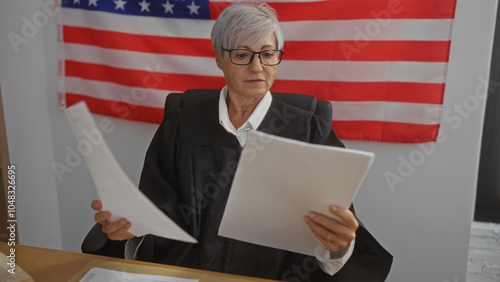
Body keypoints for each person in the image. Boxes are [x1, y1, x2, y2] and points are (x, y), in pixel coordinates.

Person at [91, 2, 392, 281]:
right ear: (219, 59)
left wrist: (338, 246)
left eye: (267, 53)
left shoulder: (311, 132)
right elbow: (155, 216)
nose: (257, 66)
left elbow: (334, 230)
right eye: (241, 54)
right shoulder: (181, 128)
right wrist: (131, 229)